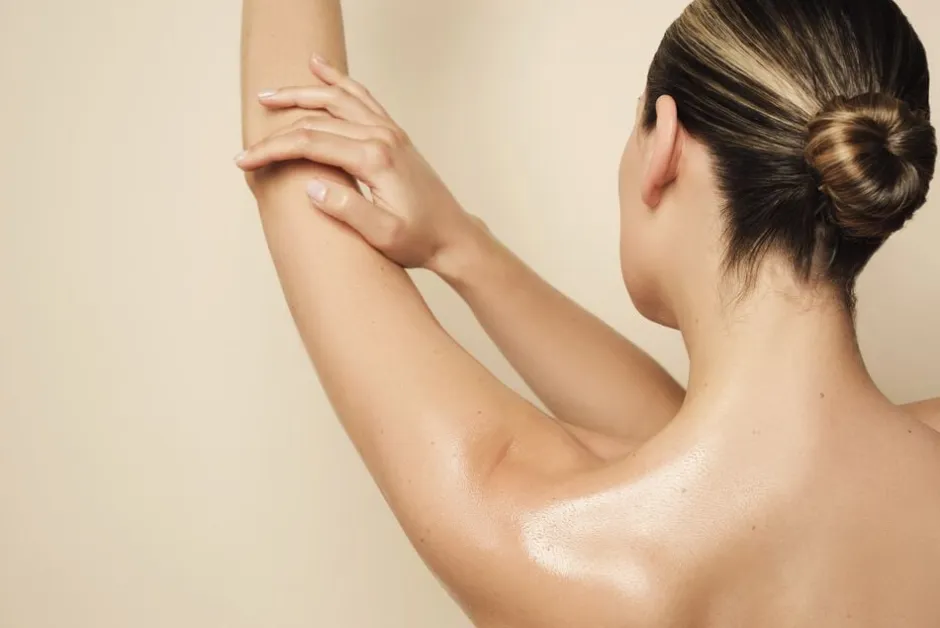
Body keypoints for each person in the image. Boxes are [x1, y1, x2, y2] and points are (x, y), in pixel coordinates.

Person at [237, 0, 940, 625]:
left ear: (664, 144)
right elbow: (695, 445)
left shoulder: (549, 543)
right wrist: (460, 247)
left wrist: (460, 246)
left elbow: (297, 162)